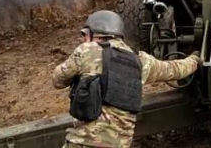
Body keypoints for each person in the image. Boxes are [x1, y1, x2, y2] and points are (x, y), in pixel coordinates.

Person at [52, 10, 201, 148]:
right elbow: (175, 70)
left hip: (84, 142)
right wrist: (195, 59)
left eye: (84, 34)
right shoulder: (141, 60)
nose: (82, 39)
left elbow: (58, 80)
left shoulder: (87, 50)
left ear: (94, 33)